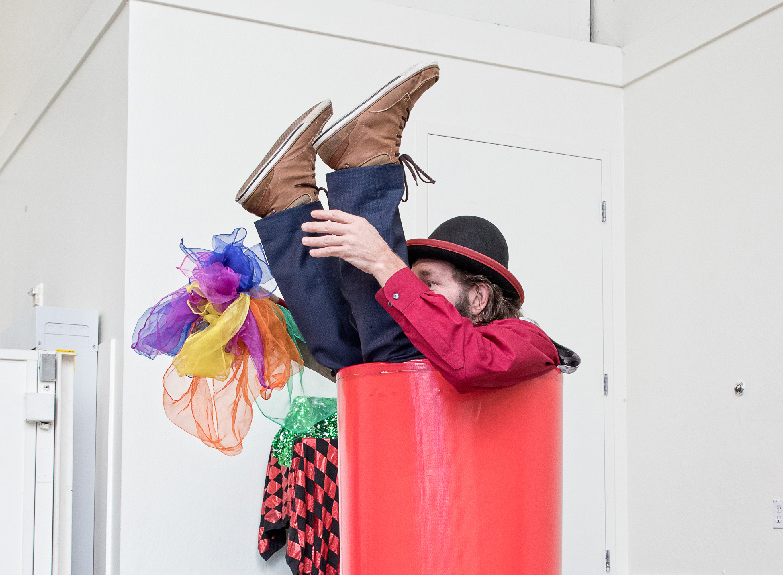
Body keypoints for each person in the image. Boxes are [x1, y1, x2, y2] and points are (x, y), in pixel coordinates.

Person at [236, 62, 578, 392]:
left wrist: (384, 262)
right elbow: (326, 345)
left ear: (478, 297)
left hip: (423, 433)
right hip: (399, 435)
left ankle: (361, 163)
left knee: (395, 351)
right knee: (353, 356)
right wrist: (243, 312)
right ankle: (291, 202)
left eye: (427, 284)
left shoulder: (526, 339)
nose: (405, 290)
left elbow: (472, 362)